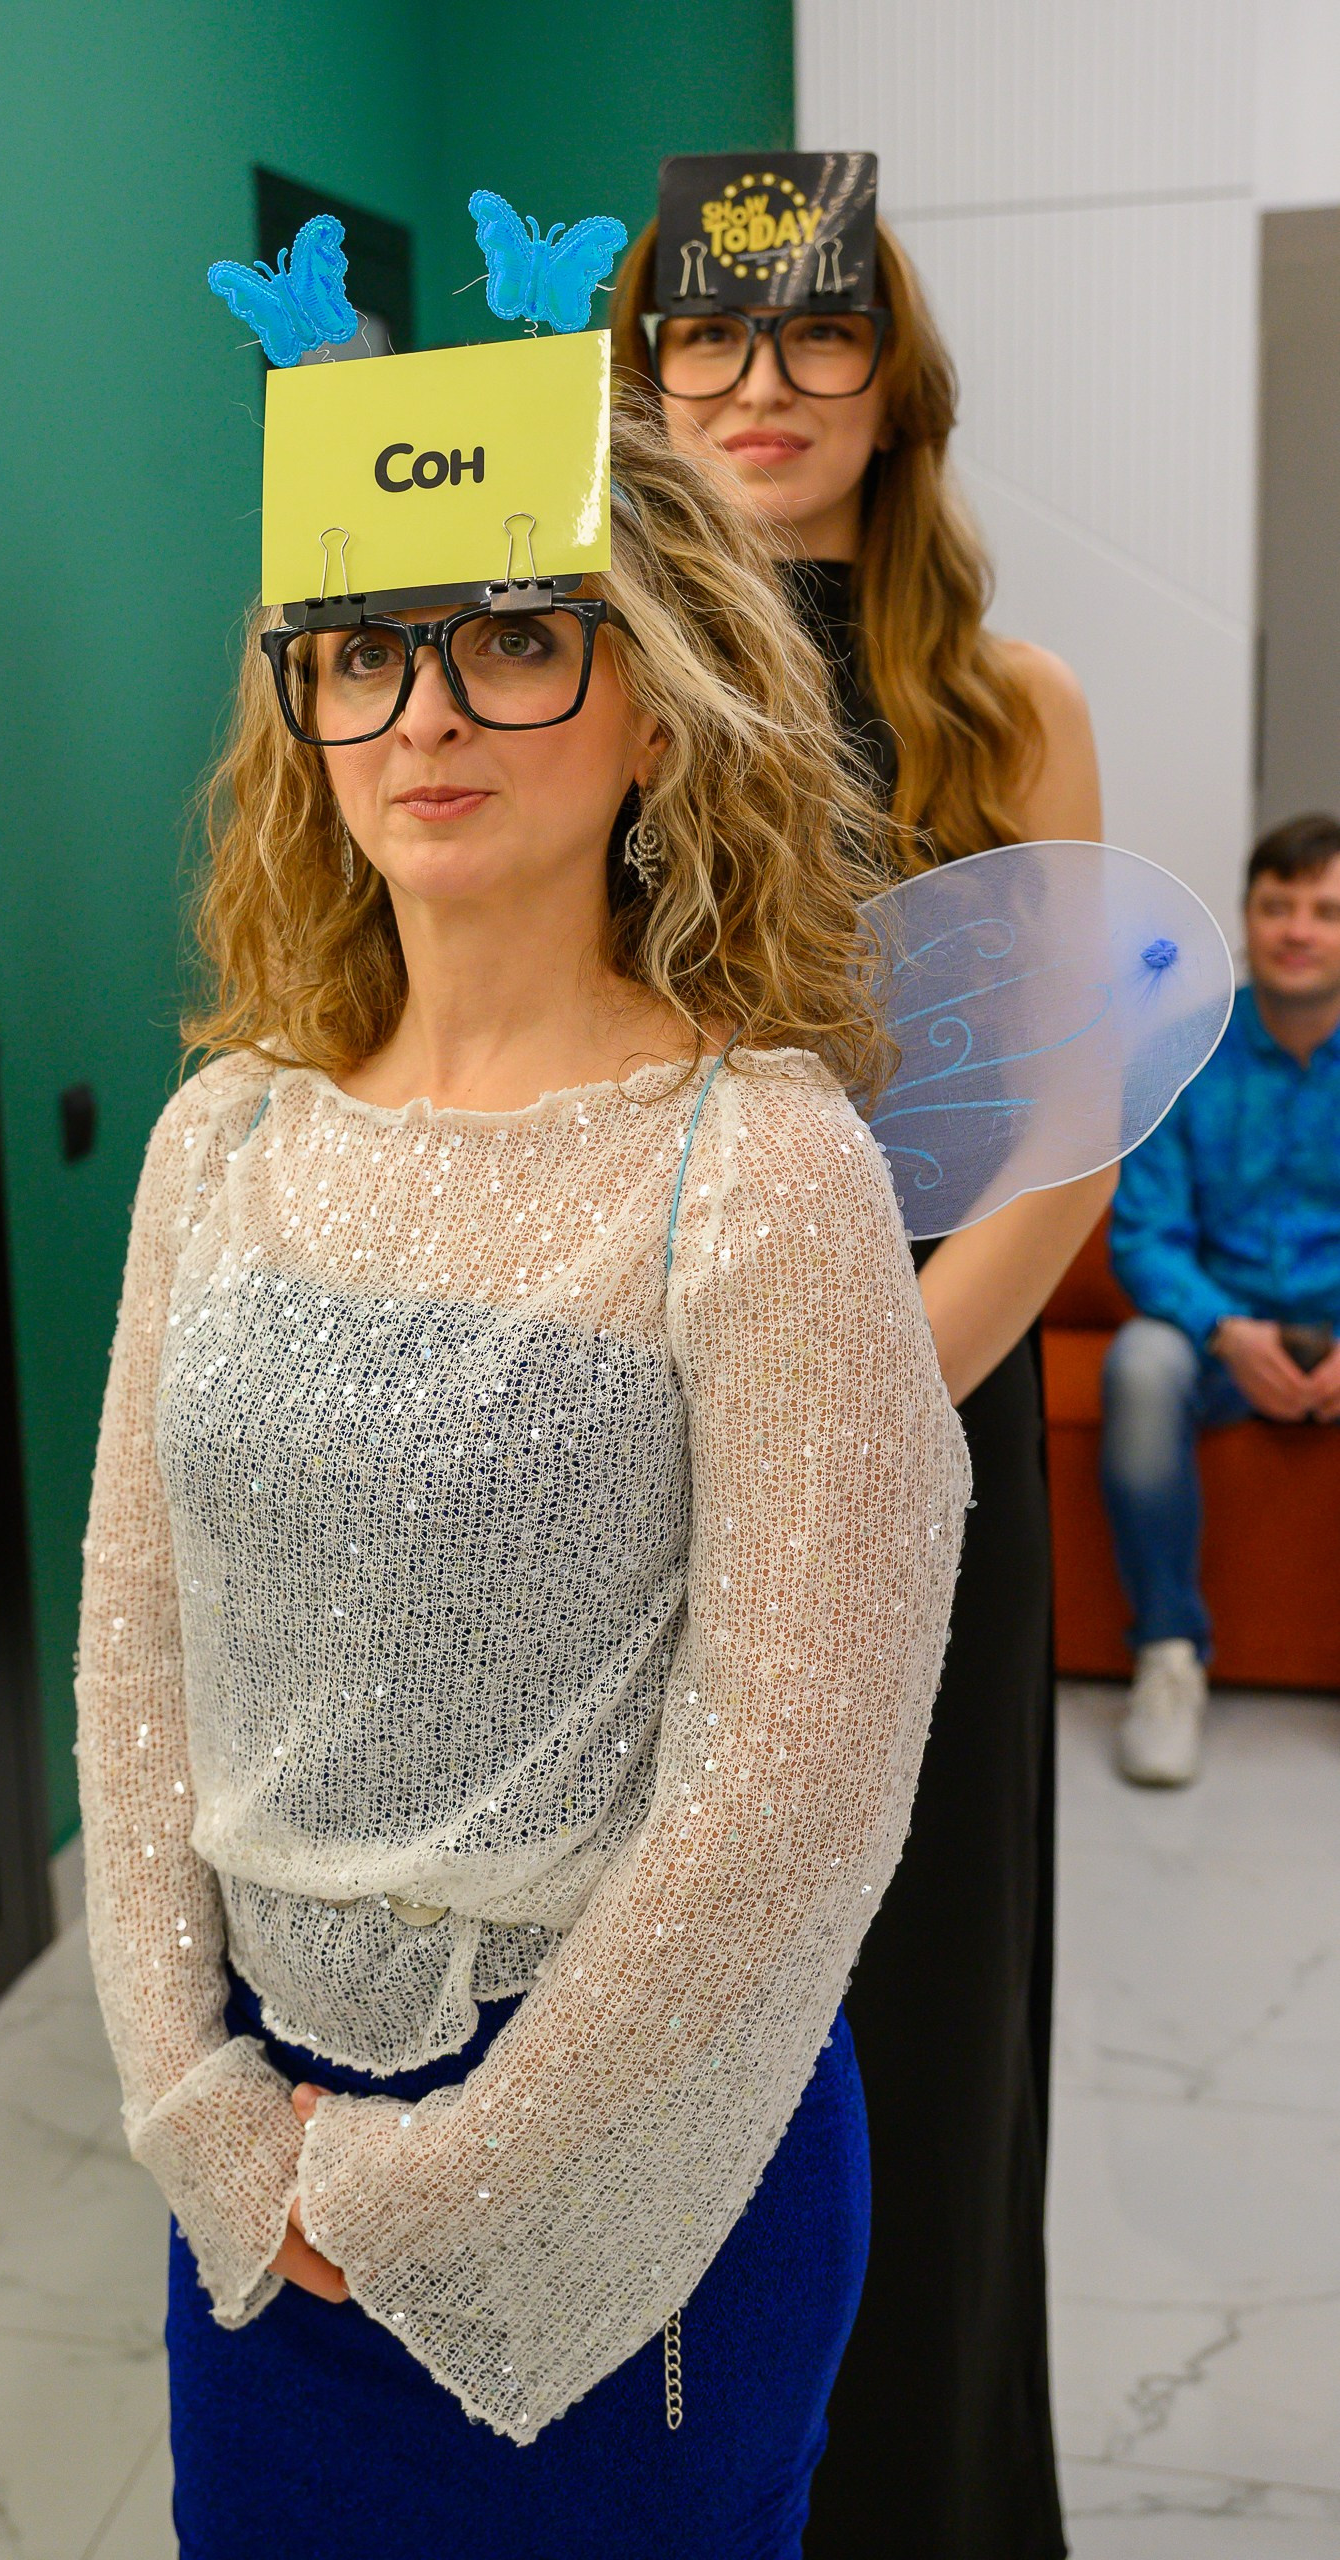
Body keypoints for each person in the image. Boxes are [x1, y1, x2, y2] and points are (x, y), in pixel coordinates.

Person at [75, 250, 971, 2560]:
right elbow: (134, 1650)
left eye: (509, 632)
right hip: (258, 2173)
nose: (423, 711)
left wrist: (437, 2172)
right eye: (358, 649)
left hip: (635, 2175)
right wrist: (192, 2099)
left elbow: (787, 1797)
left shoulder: (756, 1166)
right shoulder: (222, 1139)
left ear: (652, 702)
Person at [612, 149, 1108, 2560]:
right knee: (635, 2005)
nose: (760, 384)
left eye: (813, 331)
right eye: (704, 336)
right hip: (621, 1422)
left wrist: (860, 1404)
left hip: (921, 1401)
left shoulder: (1002, 710)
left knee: (908, 2009)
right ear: (640, 375)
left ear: (890, 376)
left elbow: (1062, 1128)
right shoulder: (574, 672)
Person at [1104, 812, 1340, 1785]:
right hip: (1215, 1336)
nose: (1297, 930)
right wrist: (1226, 1330)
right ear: (1246, 916)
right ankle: (1167, 1659)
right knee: (1138, 1364)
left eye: (1325, 911)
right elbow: (1141, 1235)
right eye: (1277, 906)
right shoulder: (1182, 1050)